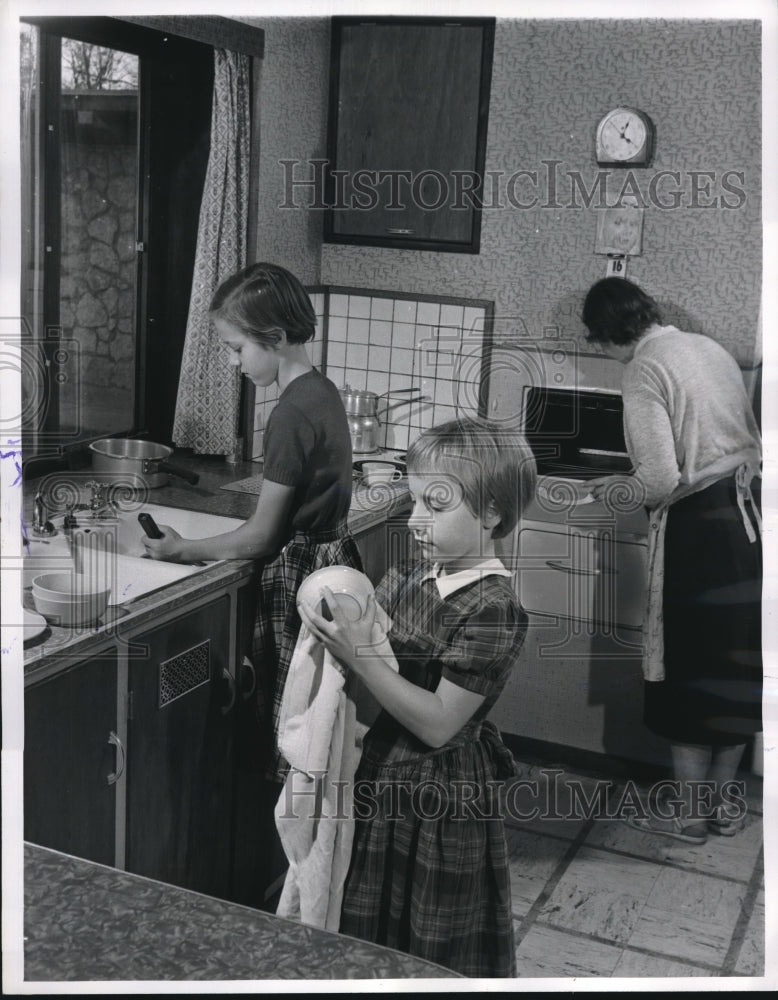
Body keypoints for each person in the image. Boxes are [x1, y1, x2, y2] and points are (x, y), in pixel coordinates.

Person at [298, 417, 537, 978]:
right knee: (372, 920)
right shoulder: (411, 574)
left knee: (428, 938)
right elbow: (371, 650)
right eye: (414, 502)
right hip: (381, 772)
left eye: (435, 504)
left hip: (439, 794)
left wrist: (359, 655)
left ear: (492, 512)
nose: (415, 520)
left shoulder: (494, 609)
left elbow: (437, 725)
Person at [143, 262, 363, 785]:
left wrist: (183, 550)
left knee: (293, 724)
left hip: (302, 575)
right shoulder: (322, 390)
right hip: (332, 562)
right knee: (317, 723)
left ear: (277, 338)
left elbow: (263, 535)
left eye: (238, 349)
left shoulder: (289, 414)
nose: (236, 363)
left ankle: (298, 857)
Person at [581, 276, 762, 843]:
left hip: (697, 534)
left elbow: (659, 479)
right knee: (734, 670)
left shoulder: (644, 370)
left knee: (686, 674)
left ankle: (688, 816)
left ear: (608, 336)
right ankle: (725, 808)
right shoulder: (707, 348)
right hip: (749, 523)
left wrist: (609, 491)